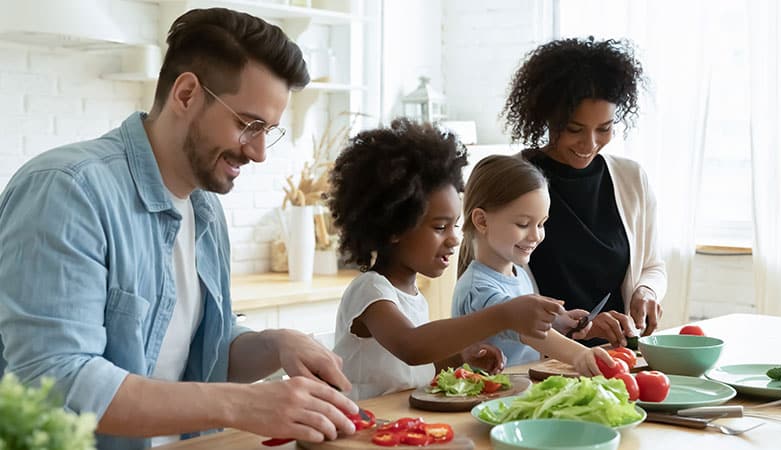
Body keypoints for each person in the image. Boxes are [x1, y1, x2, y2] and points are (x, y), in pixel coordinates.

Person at [0, 8, 359, 449]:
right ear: (186, 94)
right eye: (248, 125)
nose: (261, 152)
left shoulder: (204, 207)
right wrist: (241, 405)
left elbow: (198, 348)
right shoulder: (68, 191)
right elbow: (57, 379)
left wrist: (275, 344)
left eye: (269, 131)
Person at [327, 118, 567, 401]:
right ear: (394, 227)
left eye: (454, 226)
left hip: (397, 426)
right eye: (440, 227)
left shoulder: (412, 295)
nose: (454, 239)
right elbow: (411, 348)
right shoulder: (370, 291)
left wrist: (460, 358)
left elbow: (411, 368)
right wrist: (505, 315)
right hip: (359, 428)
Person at [502, 37, 667, 348]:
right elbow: (489, 294)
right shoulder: (510, 180)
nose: (589, 143)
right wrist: (579, 325)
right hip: (540, 360)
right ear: (547, 117)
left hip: (617, 355)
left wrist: (646, 291)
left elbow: (652, 265)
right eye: (575, 129)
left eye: (604, 128)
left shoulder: (632, 179)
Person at [452, 155, 613, 373]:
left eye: (541, 224)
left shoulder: (518, 273)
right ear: (481, 221)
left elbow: (520, 330)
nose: (536, 235)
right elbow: (525, 329)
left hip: (517, 391)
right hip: (490, 400)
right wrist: (580, 354)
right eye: (523, 224)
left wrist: (558, 322)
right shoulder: (478, 288)